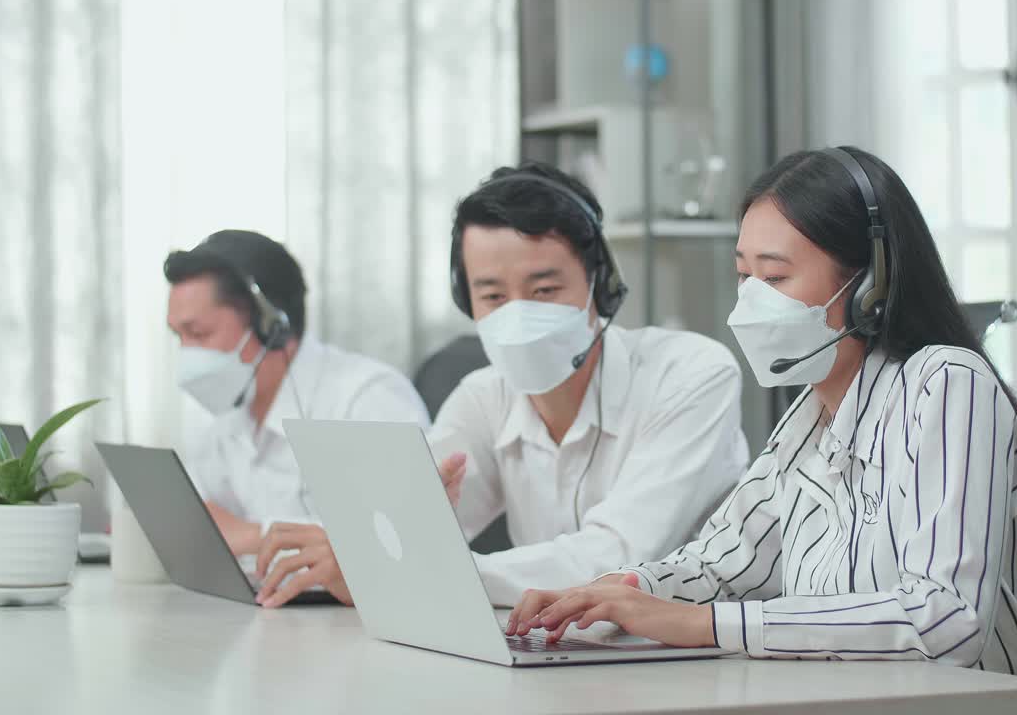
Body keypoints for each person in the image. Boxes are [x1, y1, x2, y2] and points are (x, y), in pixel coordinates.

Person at [508, 148, 1017, 715]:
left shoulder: (947, 385)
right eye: (744, 275)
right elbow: (724, 563)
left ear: (871, 286)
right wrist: (620, 589)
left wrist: (703, 625)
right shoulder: (810, 417)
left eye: (776, 277)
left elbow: (943, 619)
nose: (749, 304)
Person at [252, 163, 750, 607]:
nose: (518, 315)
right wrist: (364, 545)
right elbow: (402, 534)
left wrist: (405, 570)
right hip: (567, 656)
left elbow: (618, 558)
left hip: (696, 657)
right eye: (492, 295)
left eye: (545, 291)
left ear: (600, 285)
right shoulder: (482, 396)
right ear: (467, 302)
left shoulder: (690, 374)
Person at [165, 229, 429, 556]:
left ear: (272, 325)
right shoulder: (224, 412)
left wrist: (255, 536)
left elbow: (403, 541)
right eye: (179, 336)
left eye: (198, 333)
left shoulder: (368, 398)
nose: (187, 354)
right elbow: (204, 524)